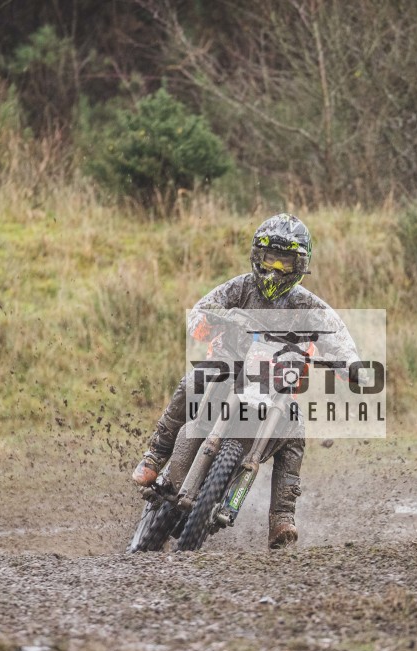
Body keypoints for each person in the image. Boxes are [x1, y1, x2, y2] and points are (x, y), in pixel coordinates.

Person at [131, 213, 360, 549]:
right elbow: (201, 309)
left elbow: (337, 335)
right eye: (271, 259)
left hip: (274, 387)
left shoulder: (309, 305)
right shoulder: (239, 287)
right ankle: (155, 455)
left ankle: (281, 517)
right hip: (225, 373)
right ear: (257, 256)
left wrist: (351, 365)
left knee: (294, 430)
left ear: (299, 265)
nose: (276, 269)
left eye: (285, 262)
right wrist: (214, 319)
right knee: (193, 379)